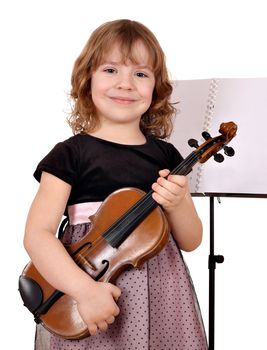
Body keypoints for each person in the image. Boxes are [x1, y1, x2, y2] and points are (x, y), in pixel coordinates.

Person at [23, 19, 208, 350]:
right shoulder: (70, 154)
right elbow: (37, 235)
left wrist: (178, 202)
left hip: (163, 293)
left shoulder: (166, 155)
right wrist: (84, 290)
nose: (126, 84)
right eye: (111, 70)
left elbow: (191, 240)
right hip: (90, 287)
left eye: (140, 74)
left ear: (156, 88)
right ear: (87, 80)